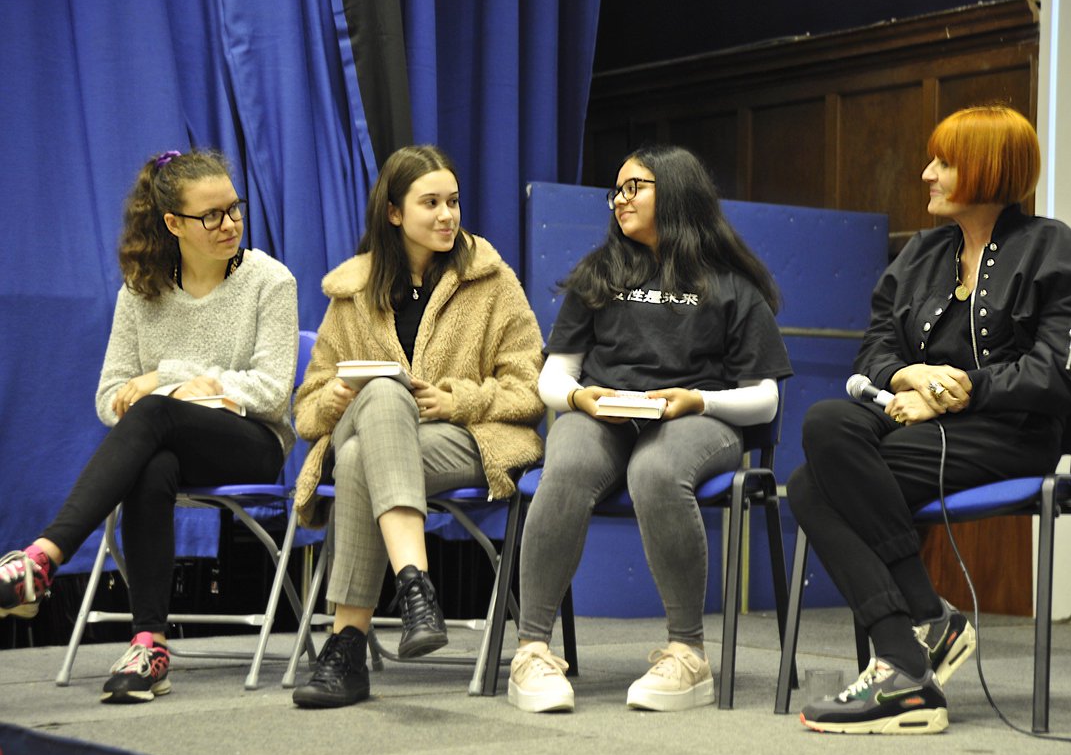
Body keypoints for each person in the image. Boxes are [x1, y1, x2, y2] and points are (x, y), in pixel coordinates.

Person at [787, 105, 1071, 734]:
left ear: (987, 169)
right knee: (828, 423)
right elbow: (876, 350)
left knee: (809, 486)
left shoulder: (1054, 249)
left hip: (1007, 436)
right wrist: (906, 376)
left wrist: (963, 392)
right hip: (913, 427)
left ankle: (906, 653)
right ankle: (919, 632)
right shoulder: (920, 256)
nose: (926, 173)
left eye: (943, 162)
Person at [0, 149, 299, 704]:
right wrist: (168, 395)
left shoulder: (269, 281)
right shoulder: (140, 292)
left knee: (154, 412)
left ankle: (41, 559)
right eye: (211, 215)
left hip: (252, 442)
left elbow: (271, 390)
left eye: (234, 209)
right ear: (173, 224)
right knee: (152, 462)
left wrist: (169, 377)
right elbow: (109, 396)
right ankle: (150, 645)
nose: (229, 223)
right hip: (166, 441)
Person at [507, 145, 792, 714]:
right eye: (616, 190)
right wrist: (581, 397)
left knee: (657, 470)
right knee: (563, 466)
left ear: (677, 189)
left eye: (634, 186)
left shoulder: (731, 285)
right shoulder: (600, 272)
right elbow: (554, 377)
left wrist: (697, 401)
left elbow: (765, 398)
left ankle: (687, 654)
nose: (620, 199)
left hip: (696, 417)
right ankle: (533, 651)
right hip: (605, 412)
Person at [290, 145, 544, 709]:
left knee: (358, 459)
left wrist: (455, 399)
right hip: (375, 428)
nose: (447, 215)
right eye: (430, 203)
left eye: (453, 201)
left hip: (467, 437)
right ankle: (415, 588)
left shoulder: (492, 280)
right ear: (394, 213)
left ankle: (346, 647)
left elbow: (530, 387)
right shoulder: (352, 292)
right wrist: (331, 398)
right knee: (380, 393)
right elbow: (305, 410)